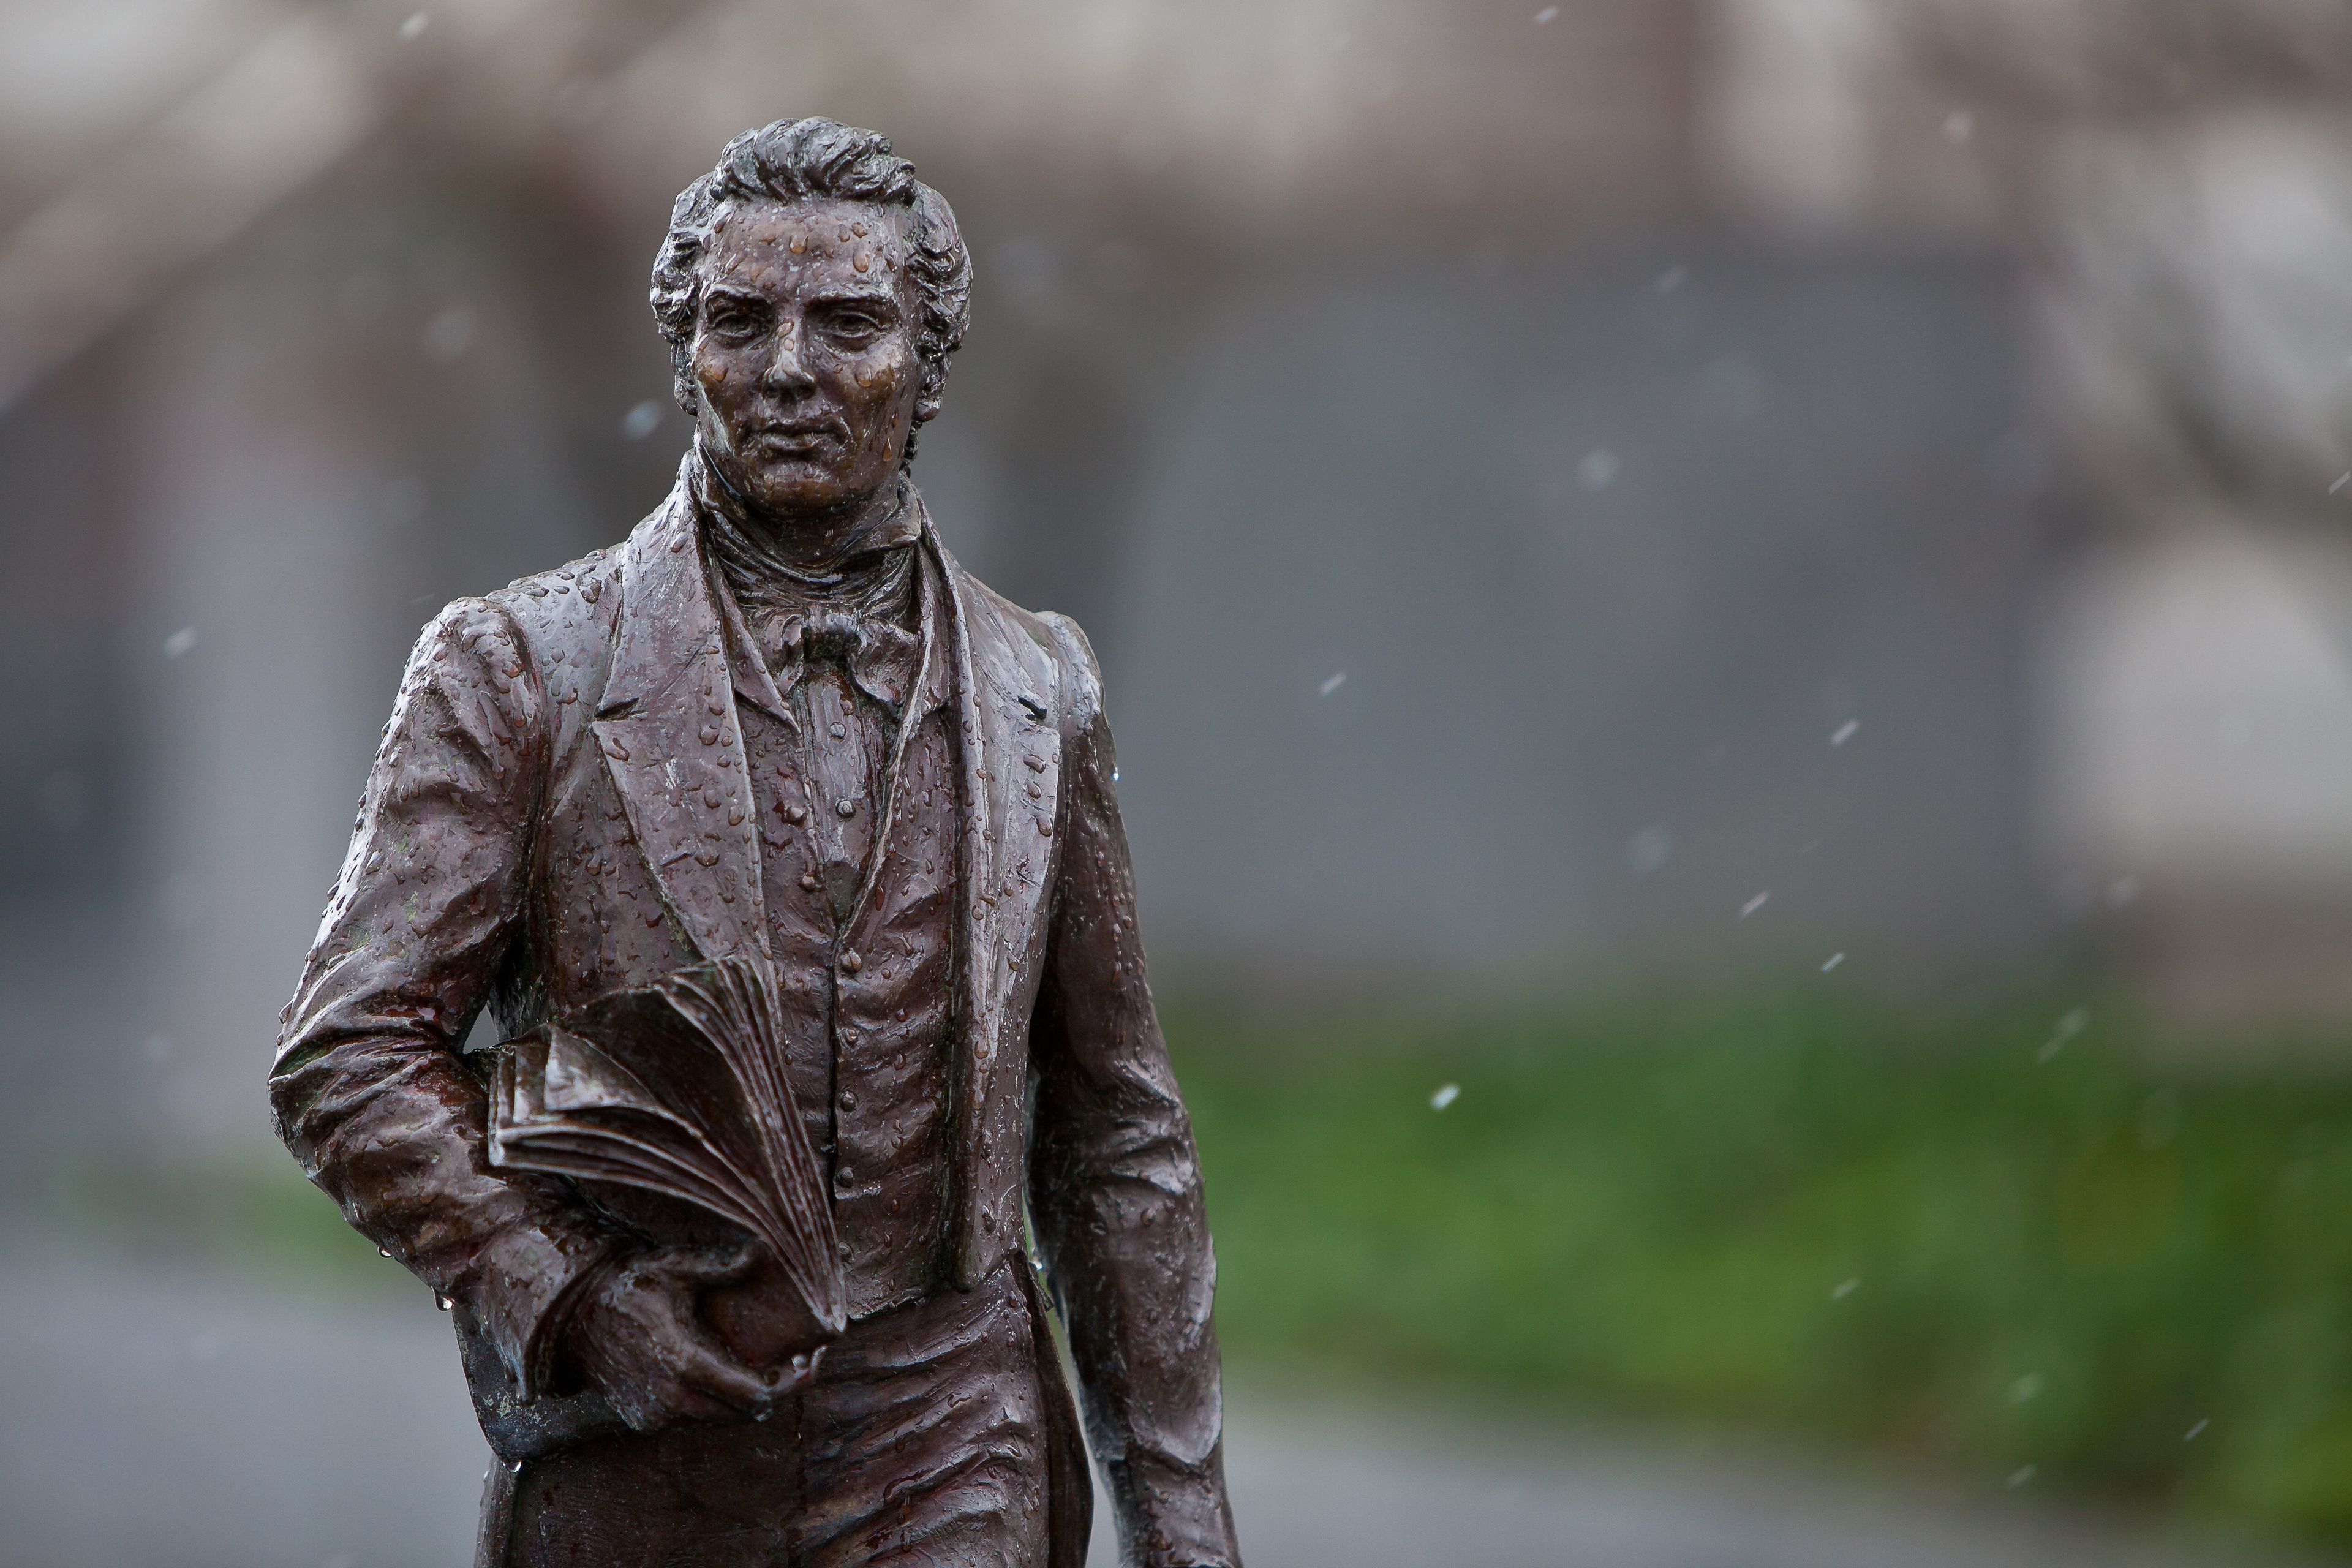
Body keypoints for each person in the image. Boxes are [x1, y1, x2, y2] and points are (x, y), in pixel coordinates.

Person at [270, 116, 1239, 1568]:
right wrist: (571, 1293)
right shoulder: (519, 665)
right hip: (650, 1427)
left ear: (927, 367)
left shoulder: (1046, 686)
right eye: (742, 321)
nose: (790, 368)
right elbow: (346, 1054)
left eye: (849, 322)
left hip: (951, 1422)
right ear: (686, 357)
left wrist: (1183, 1519)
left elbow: (1115, 1128)